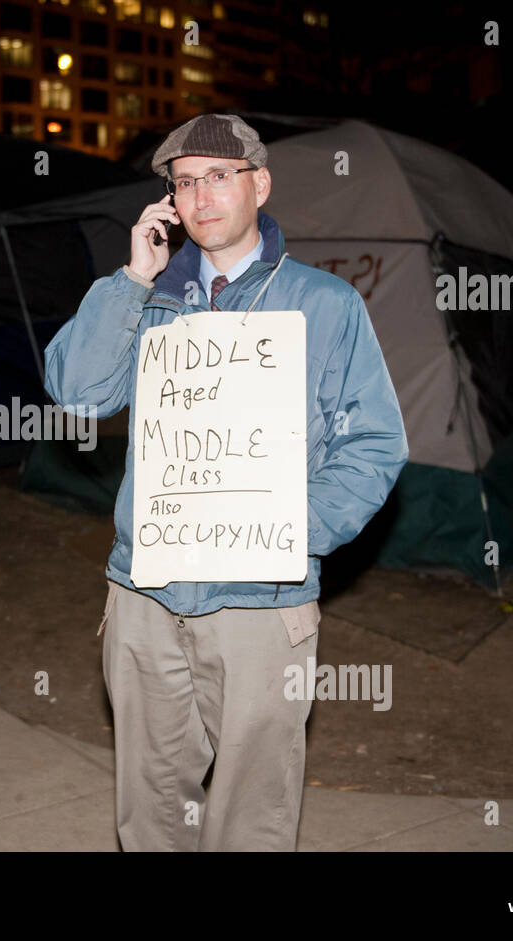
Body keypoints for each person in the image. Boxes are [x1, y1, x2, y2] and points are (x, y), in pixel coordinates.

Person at [43, 113, 409, 851]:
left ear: (259, 184)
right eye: (184, 183)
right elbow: (76, 394)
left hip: (259, 600)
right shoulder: (146, 302)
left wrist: (286, 528)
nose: (201, 197)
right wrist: (131, 280)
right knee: (148, 805)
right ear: (169, 203)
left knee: (251, 807)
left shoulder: (324, 304)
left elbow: (375, 443)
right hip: (145, 595)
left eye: (219, 176)